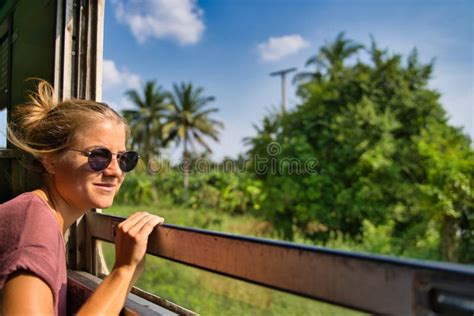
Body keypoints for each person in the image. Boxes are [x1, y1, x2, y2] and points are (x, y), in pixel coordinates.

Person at [0, 80, 164, 315]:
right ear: (50, 160)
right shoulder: (33, 233)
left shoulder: (37, 214)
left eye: (124, 158)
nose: (115, 171)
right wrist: (124, 270)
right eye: (98, 156)